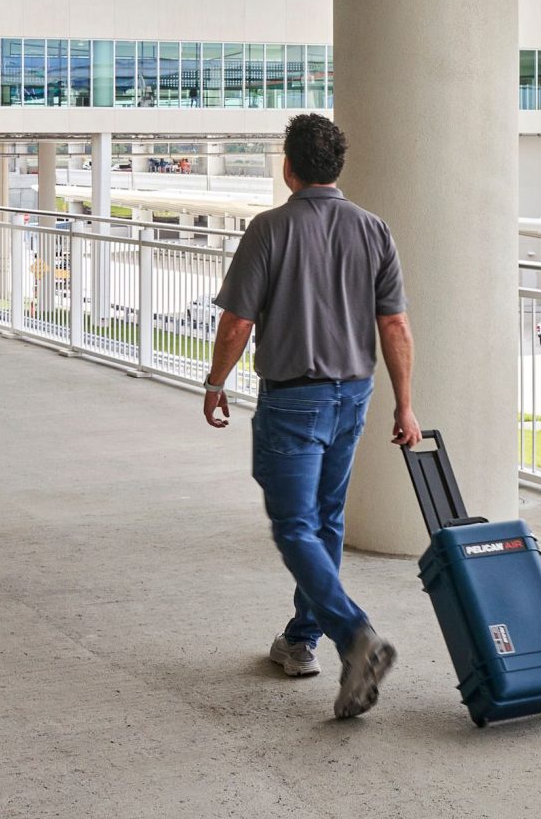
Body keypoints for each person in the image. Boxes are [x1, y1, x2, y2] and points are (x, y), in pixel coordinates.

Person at [203, 113, 420, 720]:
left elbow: (237, 324)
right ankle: (301, 640)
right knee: (324, 519)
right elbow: (395, 324)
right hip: (354, 394)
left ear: (288, 166)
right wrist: (404, 404)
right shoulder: (374, 230)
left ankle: (355, 636)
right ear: (337, 167)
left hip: (294, 398)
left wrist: (216, 382)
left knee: (295, 525)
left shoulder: (270, 229)